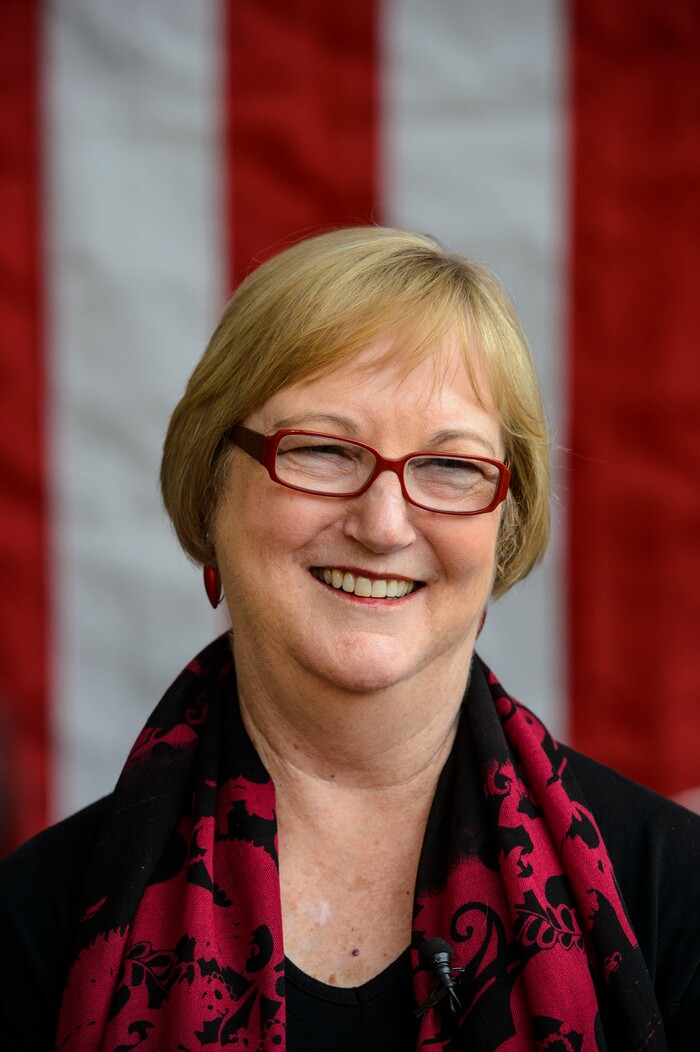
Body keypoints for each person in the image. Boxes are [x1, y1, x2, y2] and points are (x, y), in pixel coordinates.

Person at [1, 226, 699, 1051]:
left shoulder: (672, 893)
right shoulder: (36, 922)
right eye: (325, 450)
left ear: (506, 527)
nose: (384, 523)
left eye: (451, 467)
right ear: (210, 487)